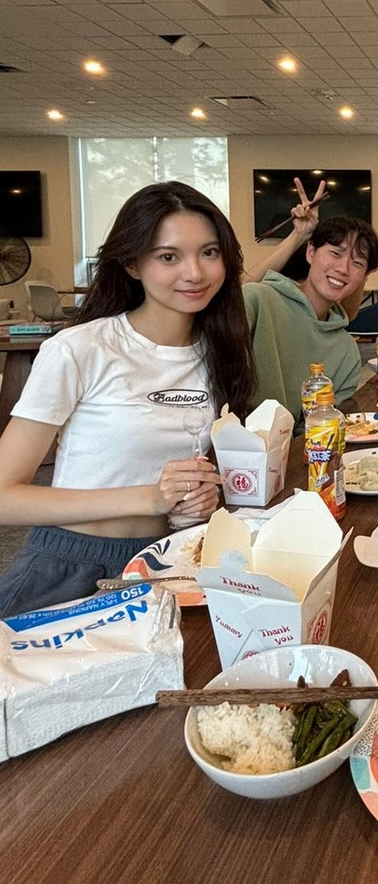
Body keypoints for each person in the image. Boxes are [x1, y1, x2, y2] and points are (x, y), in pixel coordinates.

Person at [0, 181, 256, 619]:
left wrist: (195, 500)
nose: (194, 272)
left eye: (209, 252)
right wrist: (150, 498)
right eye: (168, 256)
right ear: (133, 264)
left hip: (169, 563)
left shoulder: (220, 350)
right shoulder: (80, 348)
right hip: (71, 566)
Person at [242, 177, 378, 425]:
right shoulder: (261, 301)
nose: (343, 268)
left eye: (357, 263)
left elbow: (318, 430)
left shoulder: (346, 352)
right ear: (310, 252)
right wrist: (298, 234)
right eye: (335, 253)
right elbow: (227, 299)